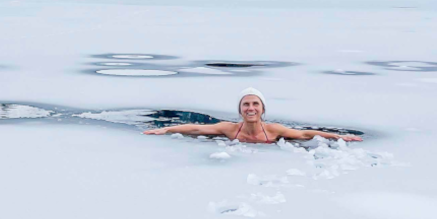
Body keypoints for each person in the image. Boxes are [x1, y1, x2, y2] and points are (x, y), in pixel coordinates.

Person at [143, 87, 362, 143]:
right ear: (240, 110)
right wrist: (166, 129)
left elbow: (304, 134)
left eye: (255, 104)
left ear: (262, 109)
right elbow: (196, 129)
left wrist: (338, 137)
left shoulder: (273, 130)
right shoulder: (229, 129)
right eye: (246, 104)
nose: (251, 108)